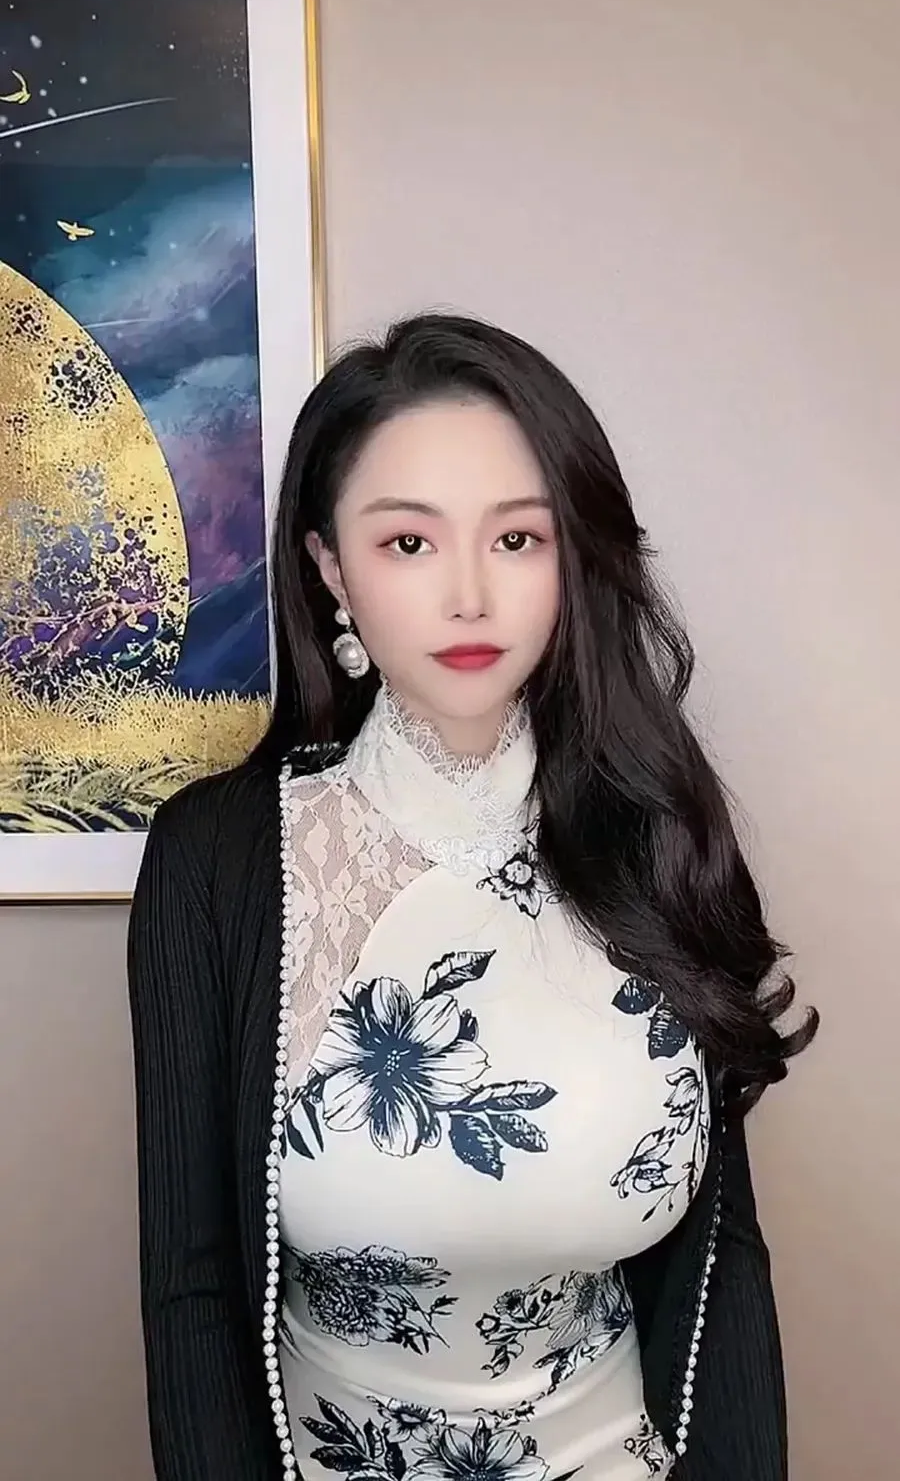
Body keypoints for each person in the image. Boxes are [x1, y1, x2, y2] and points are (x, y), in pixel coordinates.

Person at [128, 313, 817, 1481]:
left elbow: (724, 1256)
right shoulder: (219, 861)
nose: (469, 595)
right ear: (331, 568)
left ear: (570, 559)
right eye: (408, 542)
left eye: (517, 539)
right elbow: (191, 1288)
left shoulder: (661, 830)